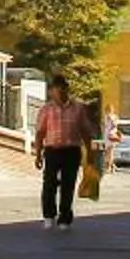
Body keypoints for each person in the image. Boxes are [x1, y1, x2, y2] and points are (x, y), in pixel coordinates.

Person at [33, 84, 88, 228]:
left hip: (72, 151)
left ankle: (64, 217)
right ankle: (49, 215)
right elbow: (40, 133)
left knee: (68, 185)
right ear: (52, 92)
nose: (58, 94)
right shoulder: (46, 109)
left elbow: (85, 131)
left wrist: (90, 154)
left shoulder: (78, 109)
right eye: (55, 91)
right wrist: (38, 154)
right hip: (52, 150)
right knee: (49, 184)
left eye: (61, 91)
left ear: (66, 90)